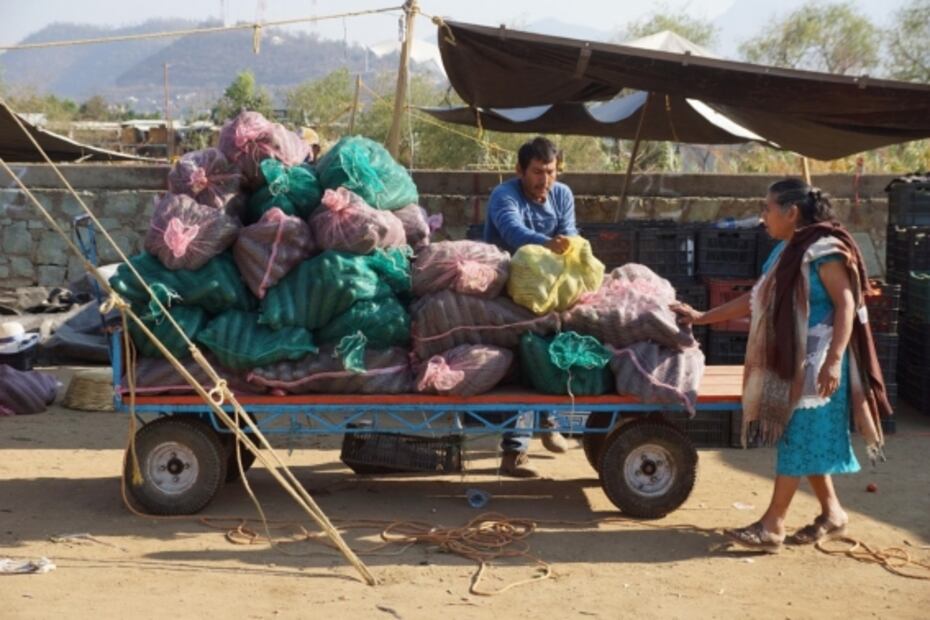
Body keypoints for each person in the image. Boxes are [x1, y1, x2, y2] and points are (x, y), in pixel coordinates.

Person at [672, 179, 891, 552]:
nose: (762, 217)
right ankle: (833, 514)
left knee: (796, 437)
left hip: (820, 365)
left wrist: (834, 361)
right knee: (803, 437)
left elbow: (846, 305)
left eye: (767, 208)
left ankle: (772, 525)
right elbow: (756, 300)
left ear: (791, 212)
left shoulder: (824, 251)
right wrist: (701, 316)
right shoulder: (784, 252)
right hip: (795, 362)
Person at [483, 136, 577, 478]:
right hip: (504, 290)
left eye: (551, 172)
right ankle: (514, 452)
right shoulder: (504, 196)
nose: (545, 180)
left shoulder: (562, 195)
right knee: (520, 360)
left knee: (558, 348)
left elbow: (570, 235)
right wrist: (550, 244)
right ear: (519, 170)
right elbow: (513, 233)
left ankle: (549, 420)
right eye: (538, 172)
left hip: (547, 290)